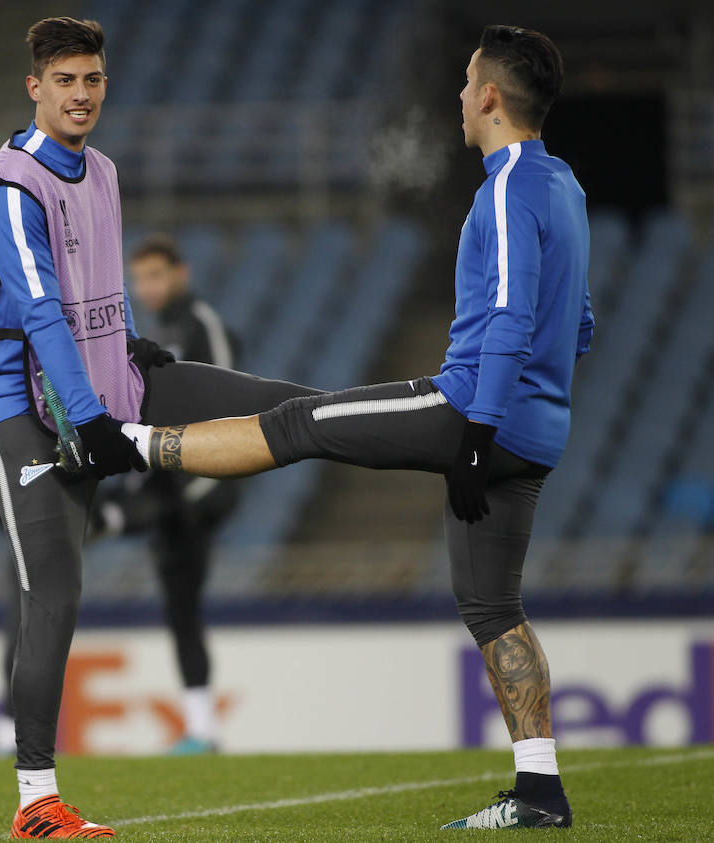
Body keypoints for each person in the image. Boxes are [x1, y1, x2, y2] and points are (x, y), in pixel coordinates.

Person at [117, 25, 593, 831]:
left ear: (489, 96)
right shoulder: (564, 184)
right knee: (492, 607)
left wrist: (477, 433)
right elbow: (578, 321)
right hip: (538, 431)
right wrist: (521, 410)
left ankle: (124, 442)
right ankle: (540, 791)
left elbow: (513, 315)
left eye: (466, 81)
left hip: (477, 412)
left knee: (301, 420)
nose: (458, 96)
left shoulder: (508, 187)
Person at [0, 17, 317, 838]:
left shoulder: (104, 172)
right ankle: (35, 803)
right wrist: (91, 420)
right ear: (35, 88)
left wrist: (122, 343)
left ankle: (393, 419)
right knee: (52, 594)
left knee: (276, 409)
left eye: (92, 79)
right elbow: (40, 311)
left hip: (96, 390)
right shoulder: (9, 189)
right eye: (65, 81)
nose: (80, 94)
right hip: (22, 408)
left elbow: (92, 295)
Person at [94, 234, 241, 754]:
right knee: (180, 603)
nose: (148, 287)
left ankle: (105, 521)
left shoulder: (203, 325)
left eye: (156, 275)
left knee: (179, 588)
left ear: (182, 273)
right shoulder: (152, 333)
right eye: (140, 279)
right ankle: (201, 728)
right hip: (164, 477)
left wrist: (209, 479)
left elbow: (232, 400)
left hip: (201, 480)